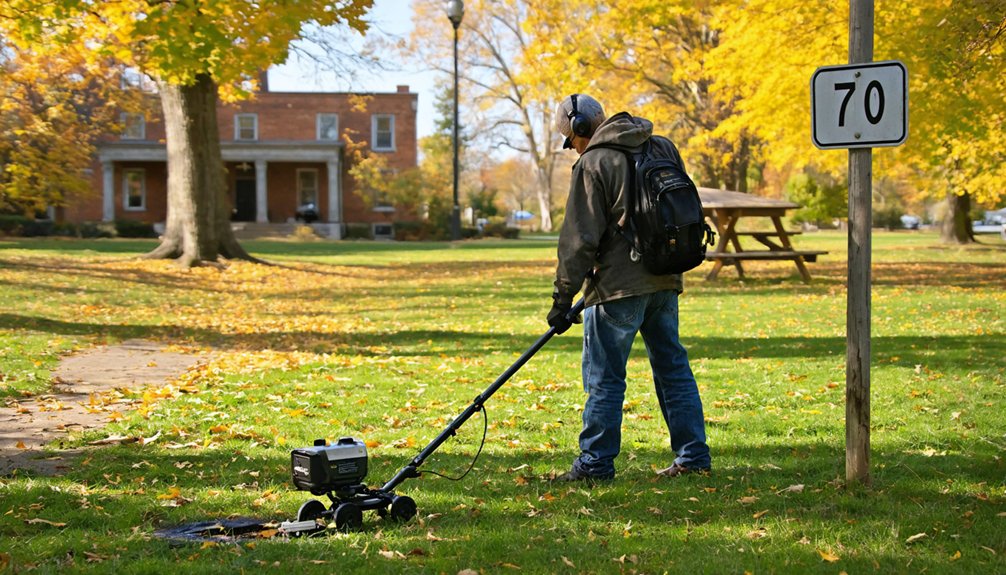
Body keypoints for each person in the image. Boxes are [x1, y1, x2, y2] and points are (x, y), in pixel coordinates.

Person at [547, 93, 711, 482]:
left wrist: (562, 296)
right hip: (666, 277)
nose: (574, 149)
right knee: (673, 369)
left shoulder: (594, 162)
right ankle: (693, 458)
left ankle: (595, 464)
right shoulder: (662, 145)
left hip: (617, 287)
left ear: (580, 128)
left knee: (604, 376)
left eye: (572, 141)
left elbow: (579, 238)